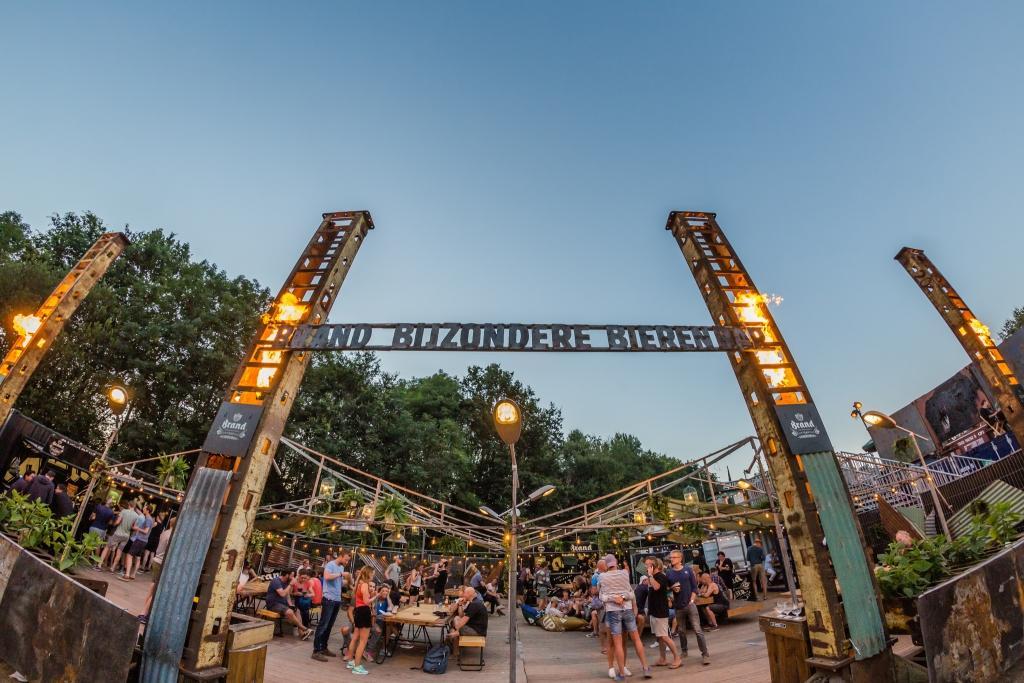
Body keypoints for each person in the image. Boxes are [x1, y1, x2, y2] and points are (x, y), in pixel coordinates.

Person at [598, 554, 651, 681]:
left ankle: (621, 674)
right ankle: (645, 668)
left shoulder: (602, 576)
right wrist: (622, 598)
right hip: (627, 609)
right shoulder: (624, 573)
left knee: (617, 644)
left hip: (613, 611)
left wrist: (614, 598)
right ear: (616, 563)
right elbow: (630, 593)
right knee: (636, 639)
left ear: (606, 565)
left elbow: (602, 597)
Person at [666, 549, 709, 665]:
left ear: (680, 559)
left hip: (690, 605)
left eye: (674, 557)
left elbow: (695, 588)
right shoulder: (669, 573)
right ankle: (684, 651)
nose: (671, 559)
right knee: (681, 631)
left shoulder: (688, 570)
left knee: (697, 630)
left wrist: (691, 600)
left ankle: (705, 654)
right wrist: (672, 589)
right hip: (678, 606)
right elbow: (666, 589)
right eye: (671, 557)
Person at [312, 548, 350, 661]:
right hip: (328, 599)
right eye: (346, 560)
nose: (346, 562)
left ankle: (323, 647)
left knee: (329, 625)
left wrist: (349, 580)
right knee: (323, 624)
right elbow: (327, 577)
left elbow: (339, 581)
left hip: (337, 599)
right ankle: (316, 651)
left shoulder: (341, 567)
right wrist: (341, 574)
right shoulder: (330, 564)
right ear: (341, 556)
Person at [645, 556, 681, 669]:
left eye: (648, 565)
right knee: (660, 637)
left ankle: (677, 658)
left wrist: (650, 575)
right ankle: (663, 659)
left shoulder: (660, 576)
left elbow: (657, 587)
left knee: (664, 636)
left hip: (660, 611)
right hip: (654, 611)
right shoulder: (654, 577)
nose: (646, 567)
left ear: (653, 566)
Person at [139, 517, 175, 624]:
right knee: (156, 591)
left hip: (156, 560)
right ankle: (143, 614)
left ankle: (144, 611)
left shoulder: (165, 532)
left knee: (152, 587)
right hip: (161, 563)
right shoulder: (172, 536)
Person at [266, 568, 312, 640]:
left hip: (282, 604)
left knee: (297, 610)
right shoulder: (276, 581)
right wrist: (291, 584)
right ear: (287, 575)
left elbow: (287, 595)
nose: (293, 578)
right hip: (273, 604)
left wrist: (290, 604)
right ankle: (305, 629)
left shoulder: (286, 582)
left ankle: (302, 634)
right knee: (290, 612)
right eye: (292, 576)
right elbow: (282, 594)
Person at [446, 585, 488, 660]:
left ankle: (455, 654)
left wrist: (456, 629)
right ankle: (456, 642)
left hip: (477, 632)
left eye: (465, 593)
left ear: (469, 594)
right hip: (476, 628)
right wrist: (460, 604)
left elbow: (464, 620)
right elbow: (462, 615)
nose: (463, 595)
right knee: (456, 619)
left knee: (453, 629)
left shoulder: (474, 604)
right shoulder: (474, 602)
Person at [346, 566, 374, 676]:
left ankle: (352, 662)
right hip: (364, 612)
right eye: (372, 573)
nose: (373, 575)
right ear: (368, 573)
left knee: (355, 638)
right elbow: (367, 602)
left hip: (358, 612)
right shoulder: (365, 584)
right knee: (363, 641)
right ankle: (357, 667)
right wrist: (375, 596)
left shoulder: (359, 583)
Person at [121, 504, 153, 581]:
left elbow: (146, 531)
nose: (143, 509)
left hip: (140, 540)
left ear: (148, 510)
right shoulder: (149, 519)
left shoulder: (148, 519)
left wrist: (137, 528)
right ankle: (133, 575)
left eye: (144, 508)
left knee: (129, 555)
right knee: (138, 558)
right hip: (144, 541)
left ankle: (127, 574)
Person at [96, 503, 132, 571]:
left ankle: (100, 564)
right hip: (126, 535)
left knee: (107, 547)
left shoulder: (122, 513)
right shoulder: (132, 515)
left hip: (116, 533)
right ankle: (112, 567)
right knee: (118, 551)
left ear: (122, 507)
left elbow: (116, 522)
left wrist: (113, 524)